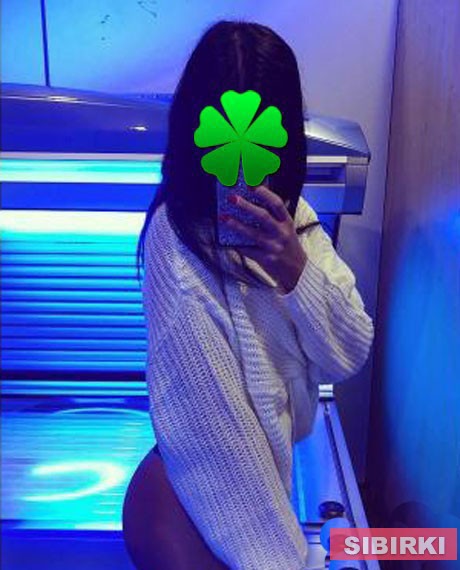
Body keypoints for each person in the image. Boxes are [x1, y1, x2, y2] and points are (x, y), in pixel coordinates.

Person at [126, 20, 374, 570]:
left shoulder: (293, 219)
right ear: (198, 135)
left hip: (259, 485)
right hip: (187, 501)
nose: (241, 166)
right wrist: (282, 558)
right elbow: (217, 428)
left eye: (260, 139)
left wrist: (295, 271)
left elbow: (349, 352)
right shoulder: (174, 241)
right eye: (225, 138)